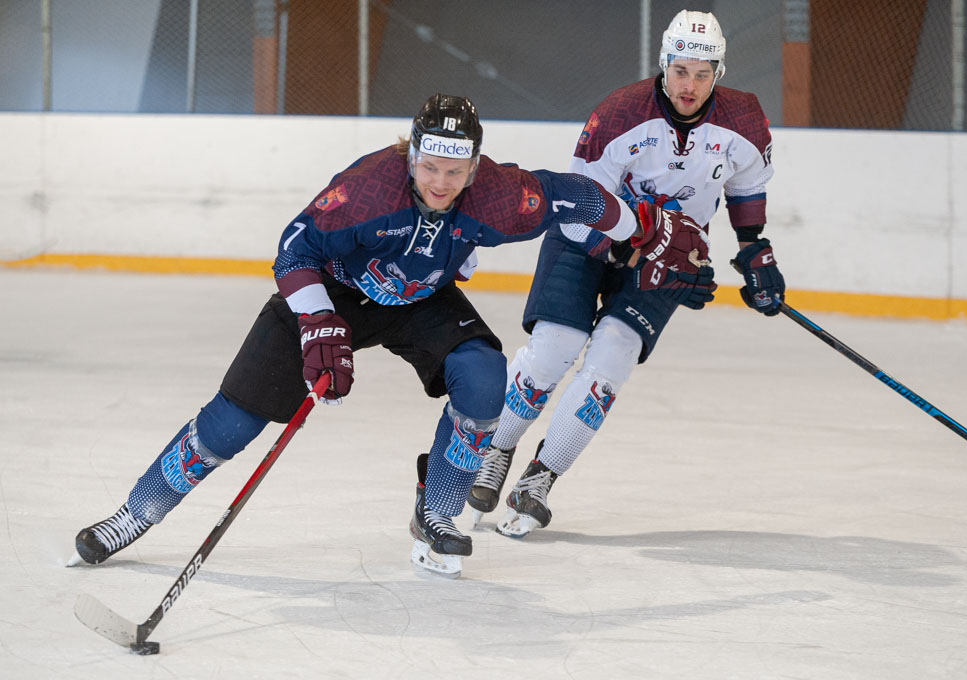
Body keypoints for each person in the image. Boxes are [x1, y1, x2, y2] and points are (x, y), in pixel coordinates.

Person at [70, 93, 705, 577]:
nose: (442, 184)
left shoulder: (497, 196)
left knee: (484, 381)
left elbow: (578, 197)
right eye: (431, 167)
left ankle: (437, 511)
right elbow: (294, 249)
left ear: (475, 167)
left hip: (420, 301)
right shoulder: (368, 190)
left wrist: (647, 228)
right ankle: (135, 514)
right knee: (233, 422)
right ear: (412, 155)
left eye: (457, 172)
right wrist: (319, 324)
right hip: (334, 293)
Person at [468, 10, 786, 537]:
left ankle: (540, 478)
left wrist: (755, 250)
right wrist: (634, 256)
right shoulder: (620, 113)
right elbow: (581, 206)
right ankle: (496, 450)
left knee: (612, 356)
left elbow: (746, 185)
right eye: (681, 71)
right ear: (664, 65)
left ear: (719, 74)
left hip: (672, 253)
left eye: (704, 74)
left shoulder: (744, 118)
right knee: (554, 348)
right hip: (590, 242)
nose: (691, 86)